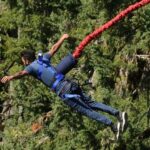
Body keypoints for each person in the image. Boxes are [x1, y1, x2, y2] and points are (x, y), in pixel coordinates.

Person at [1, 34, 127, 140]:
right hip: (69, 84)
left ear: (26, 60)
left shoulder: (30, 67)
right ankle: (118, 114)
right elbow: (54, 48)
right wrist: (63, 37)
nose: (23, 63)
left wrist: (10, 77)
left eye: (22, 61)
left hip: (63, 90)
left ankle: (113, 126)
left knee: (87, 111)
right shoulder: (42, 59)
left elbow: (21, 73)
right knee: (92, 103)